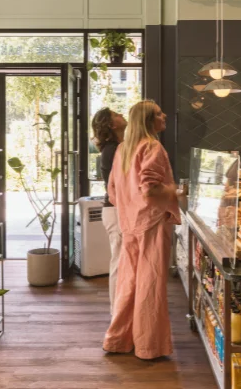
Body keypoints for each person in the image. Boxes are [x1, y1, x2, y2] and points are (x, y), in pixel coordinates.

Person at [103, 100, 179, 360]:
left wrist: (130, 208)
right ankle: (150, 346)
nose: (164, 115)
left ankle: (118, 339)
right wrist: (177, 192)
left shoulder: (123, 148)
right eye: (158, 113)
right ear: (148, 121)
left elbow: (112, 192)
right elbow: (150, 188)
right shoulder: (152, 146)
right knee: (150, 284)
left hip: (129, 223)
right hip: (151, 223)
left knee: (129, 281)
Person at [91, 107, 128, 315]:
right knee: (119, 263)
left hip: (117, 209)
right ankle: (116, 314)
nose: (121, 114)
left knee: (121, 262)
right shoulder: (113, 150)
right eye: (116, 114)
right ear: (112, 125)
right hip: (115, 210)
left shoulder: (118, 147)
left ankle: (121, 313)